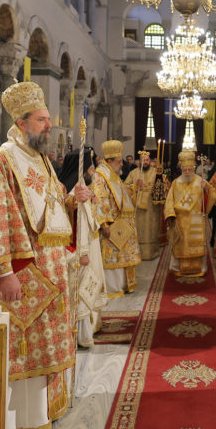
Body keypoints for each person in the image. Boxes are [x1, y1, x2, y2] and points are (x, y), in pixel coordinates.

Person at [0, 81, 87, 429]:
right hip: (21, 272)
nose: (49, 126)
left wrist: (72, 200)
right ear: (21, 122)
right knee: (20, 348)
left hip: (49, 271)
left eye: (49, 120)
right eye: (42, 120)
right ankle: (14, 425)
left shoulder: (41, 159)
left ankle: (43, 414)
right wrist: (5, 272)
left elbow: (49, 211)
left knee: (44, 347)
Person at [58, 147, 108, 348]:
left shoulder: (80, 190)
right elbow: (79, 225)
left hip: (90, 245)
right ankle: (82, 336)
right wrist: (83, 253)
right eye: (91, 169)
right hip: (81, 250)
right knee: (81, 290)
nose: (93, 172)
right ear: (85, 170)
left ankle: (90, 327)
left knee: (89, 286)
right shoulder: (74, 194)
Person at [94, 140, 143, 296]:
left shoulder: (112, 174)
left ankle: (125, 285)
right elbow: (100, 199)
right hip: (113, 226)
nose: (122, 164)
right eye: (119, 161)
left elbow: (122, 194)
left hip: (123, 225)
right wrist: (104, 224)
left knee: (122, 257)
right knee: (113, 257)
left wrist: (134, 187)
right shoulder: (100, 176)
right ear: (109, 161)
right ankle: (114, 287)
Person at [163, 151, 216, 277]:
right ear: (181, 169)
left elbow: (213, 194)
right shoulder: (176, 182)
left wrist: (207, 189)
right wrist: (170, 215)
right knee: (180, 244)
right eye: (185, 169)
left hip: (196, 219)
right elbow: (169, 199)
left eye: (189, 169)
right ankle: (177, 267)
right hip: (180, 220)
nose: (187, 171)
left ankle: (200, 267)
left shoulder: (200, 180)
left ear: (193, 168)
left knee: (196, 244)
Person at [125, 150, 163, 261]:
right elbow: (125, 187)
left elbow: (161, 188)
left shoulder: (156, 173)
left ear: (149, 161)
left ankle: (153, 252)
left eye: (147, 160)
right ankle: (138, 253)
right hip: (138, 209)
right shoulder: (133, 173)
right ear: (139, 161)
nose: (145, 162)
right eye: (143, 160)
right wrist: (135, 186)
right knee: (139, 230)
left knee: (152, 229)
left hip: (151, 208)